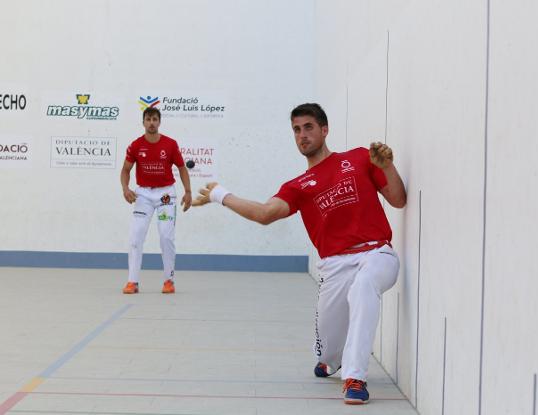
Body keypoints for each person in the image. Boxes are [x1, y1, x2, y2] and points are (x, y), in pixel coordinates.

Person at [192, 103, 407, 404]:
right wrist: (220, 195)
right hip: (334, 266)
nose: (302, 135)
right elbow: (265, 214)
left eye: (308, 127)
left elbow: (398, 199)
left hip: (377, 255)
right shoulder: (298, 187)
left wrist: (387, 166)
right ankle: (330, 360)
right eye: (296, 129)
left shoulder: (359, 158)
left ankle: (355, 378)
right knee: (328, 349)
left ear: (324, 129)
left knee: (363, 286)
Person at [120, 107, 192, 294]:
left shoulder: (170, 144)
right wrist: (125, 189)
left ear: (159, 122)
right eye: (148, 119)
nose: (151, 122)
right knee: (135, 237)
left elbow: (182, 168)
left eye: (154, 119)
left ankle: (169, 280)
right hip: (143, 195)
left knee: (166, 237)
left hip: (166, 195)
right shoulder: (135, 145)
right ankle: (132, 282)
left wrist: (188, 191)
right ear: (143, 122)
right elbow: (125, 170)